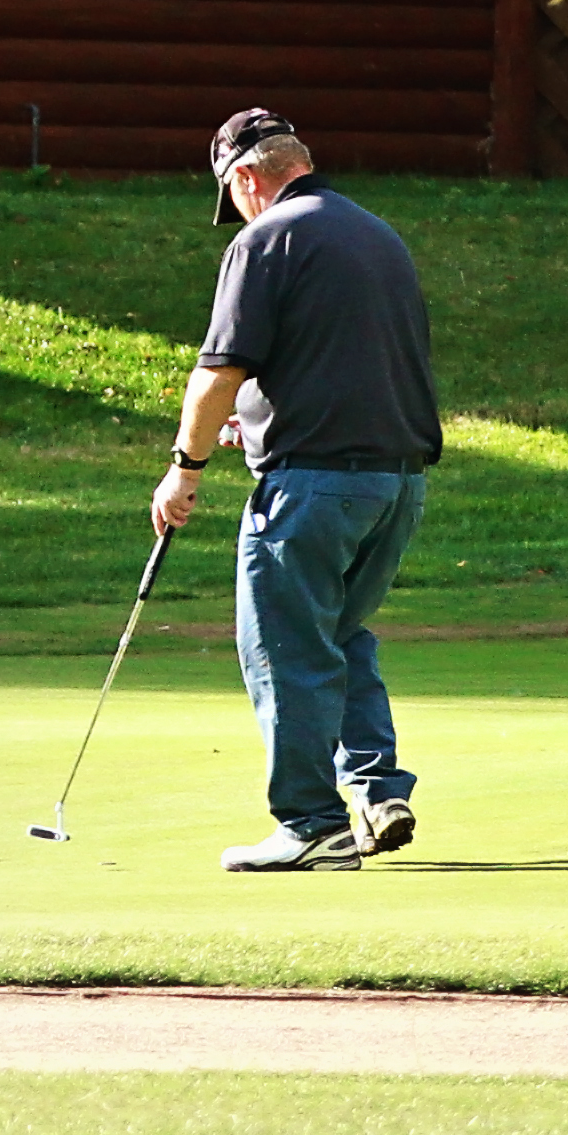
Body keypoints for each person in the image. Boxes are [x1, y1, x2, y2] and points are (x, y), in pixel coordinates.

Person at [161, 109, 443, 872]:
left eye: (234, 195)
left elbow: (219, 370)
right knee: (339, 634)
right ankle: (376, 787)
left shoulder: (264, 240)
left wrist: (184, 467)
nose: (237, 212)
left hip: (315, 488)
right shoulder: (374, 235)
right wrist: (252, 424)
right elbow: (335, 360)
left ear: (246, 177)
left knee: (284, 649)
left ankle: (311, 823)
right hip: (395, 483)